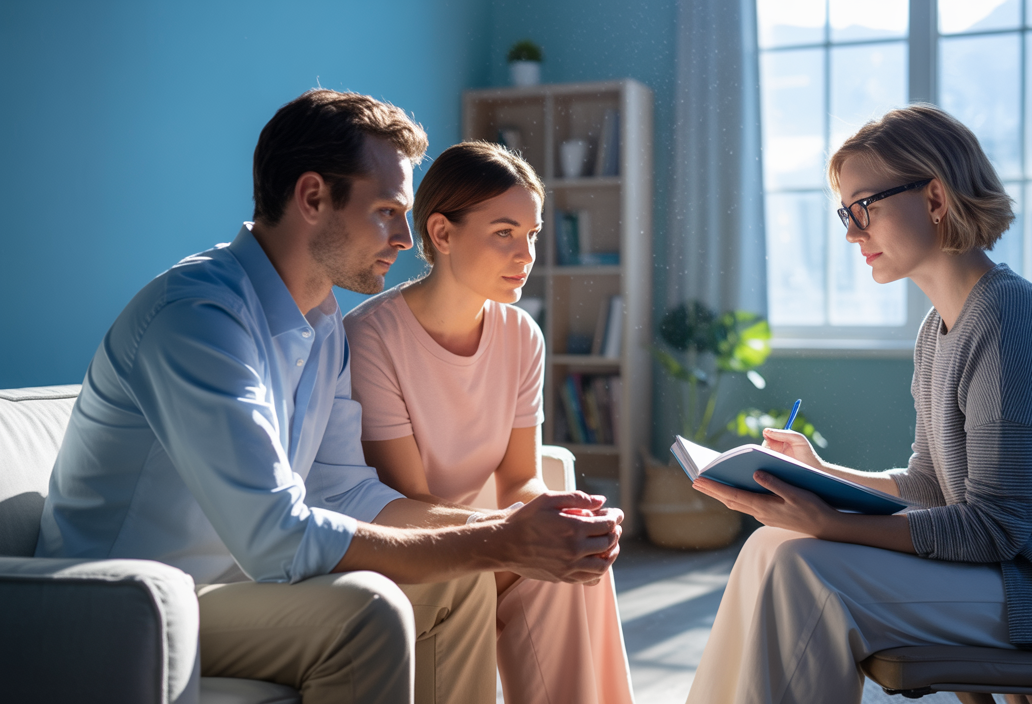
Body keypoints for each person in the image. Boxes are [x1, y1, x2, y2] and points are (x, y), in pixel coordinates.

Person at [35, 89, 623, 704]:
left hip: (236, 587)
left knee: (460, 580)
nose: (405, 237)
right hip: (131, 602)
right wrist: (496, 539)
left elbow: (347, 491)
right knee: (367, 610)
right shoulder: (197, 318)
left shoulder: (320, 325)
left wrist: (508, 530)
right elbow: (276, 536)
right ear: (313, 197)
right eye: (388, 211)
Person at [685, 105, 1032, 704]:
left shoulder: (1008, 322)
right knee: (772, 545)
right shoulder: (940, 328)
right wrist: (821, 474)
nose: (851, 232)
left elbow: (993, 529)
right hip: (1008, 577)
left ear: (934, 199)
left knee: (808, 572)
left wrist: (834, 523)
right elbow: (929, 483)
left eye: (863, 207)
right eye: (846, 213)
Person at [343, 141, 634, 704]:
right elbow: (409, 501)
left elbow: (520, 478)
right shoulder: (372, 338)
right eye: (504, 232)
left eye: (532, 233)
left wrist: (559, 516)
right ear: (443, 234)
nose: (525, 254)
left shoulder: (522, 335)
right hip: (411, 548)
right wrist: (518, 538)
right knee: (557, 569)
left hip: (489, 532)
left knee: (578, 564)